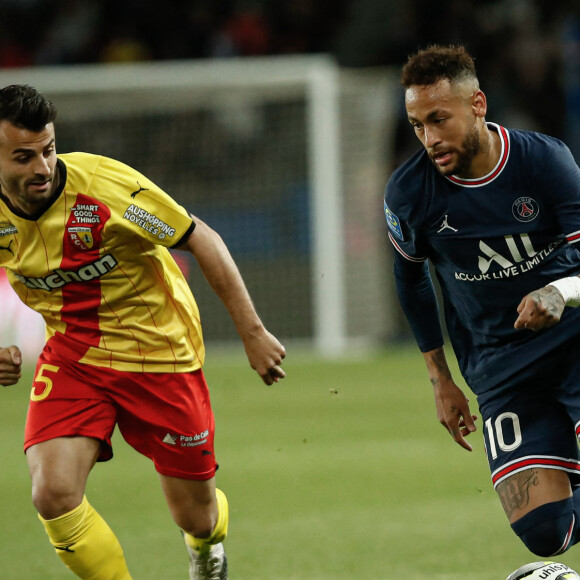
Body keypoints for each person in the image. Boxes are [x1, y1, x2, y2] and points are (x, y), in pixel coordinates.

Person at [0, 84, 286, 580]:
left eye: (47, 150)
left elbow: (201, 238)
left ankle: (206, 547)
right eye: (23, 157)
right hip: (74, 354)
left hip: (160, 354)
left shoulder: (104, 186)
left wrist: (253, 332)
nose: (42, 168)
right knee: (52, 494)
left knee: (195, 514)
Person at [384, 44, 580, 557]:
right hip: (498, 365)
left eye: (439, 119)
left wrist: (560, 290)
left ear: (478, 105)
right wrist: (440, 379)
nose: (429, 138)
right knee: (545, 534)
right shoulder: (409, 194)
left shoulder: (544, 161)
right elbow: (410, 281)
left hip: (575, 339)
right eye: (417, 125)